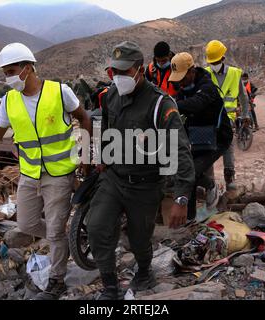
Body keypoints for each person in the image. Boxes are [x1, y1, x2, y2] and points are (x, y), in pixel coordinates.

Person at [0, 43, 91, 300]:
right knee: (26, 223)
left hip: (58, 174)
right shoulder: (9, 101)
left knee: (55, 229)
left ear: (28, 68)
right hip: (29, 174)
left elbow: (85, 117)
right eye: (5, 73)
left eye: (11, 71)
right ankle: (66, 240)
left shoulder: (60, 92)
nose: (8, 78)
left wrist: (87, 155)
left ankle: (56, 279)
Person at [87, 41, 195, 300]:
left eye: (124, 72)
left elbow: (179, 150)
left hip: (145, 184)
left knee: (139, 239)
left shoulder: (160, 104)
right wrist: (100, 156)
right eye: (115, 72)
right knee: (97, 226)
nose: (119, 77)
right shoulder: (112, 95)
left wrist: (181, 198)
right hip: (114, 178)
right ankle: (110, 286)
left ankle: (145, 271)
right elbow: (107, 128)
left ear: (138, 69)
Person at [169, 52, 233, 220]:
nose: (180, 84)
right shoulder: (183, 90)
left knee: (190, 172)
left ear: (192, 71)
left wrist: (171, 104)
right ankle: (192, 213)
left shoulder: (207, 87)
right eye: (178, 80)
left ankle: (189, 217)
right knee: (184, 169)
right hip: (197, 137)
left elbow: (195, 105)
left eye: (182, 78)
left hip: (219, 138)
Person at [204, 40, 251, 190]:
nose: (214, 64)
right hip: (209, 118)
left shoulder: (235, 74)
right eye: (212, 62)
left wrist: (245, 115)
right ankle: (209, 182)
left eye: (216, 61)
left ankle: (229, 177)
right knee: (208, 148)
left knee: (227, 147)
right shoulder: (205, 74)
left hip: (228, 118)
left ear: (223, 58)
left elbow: (243, 97)